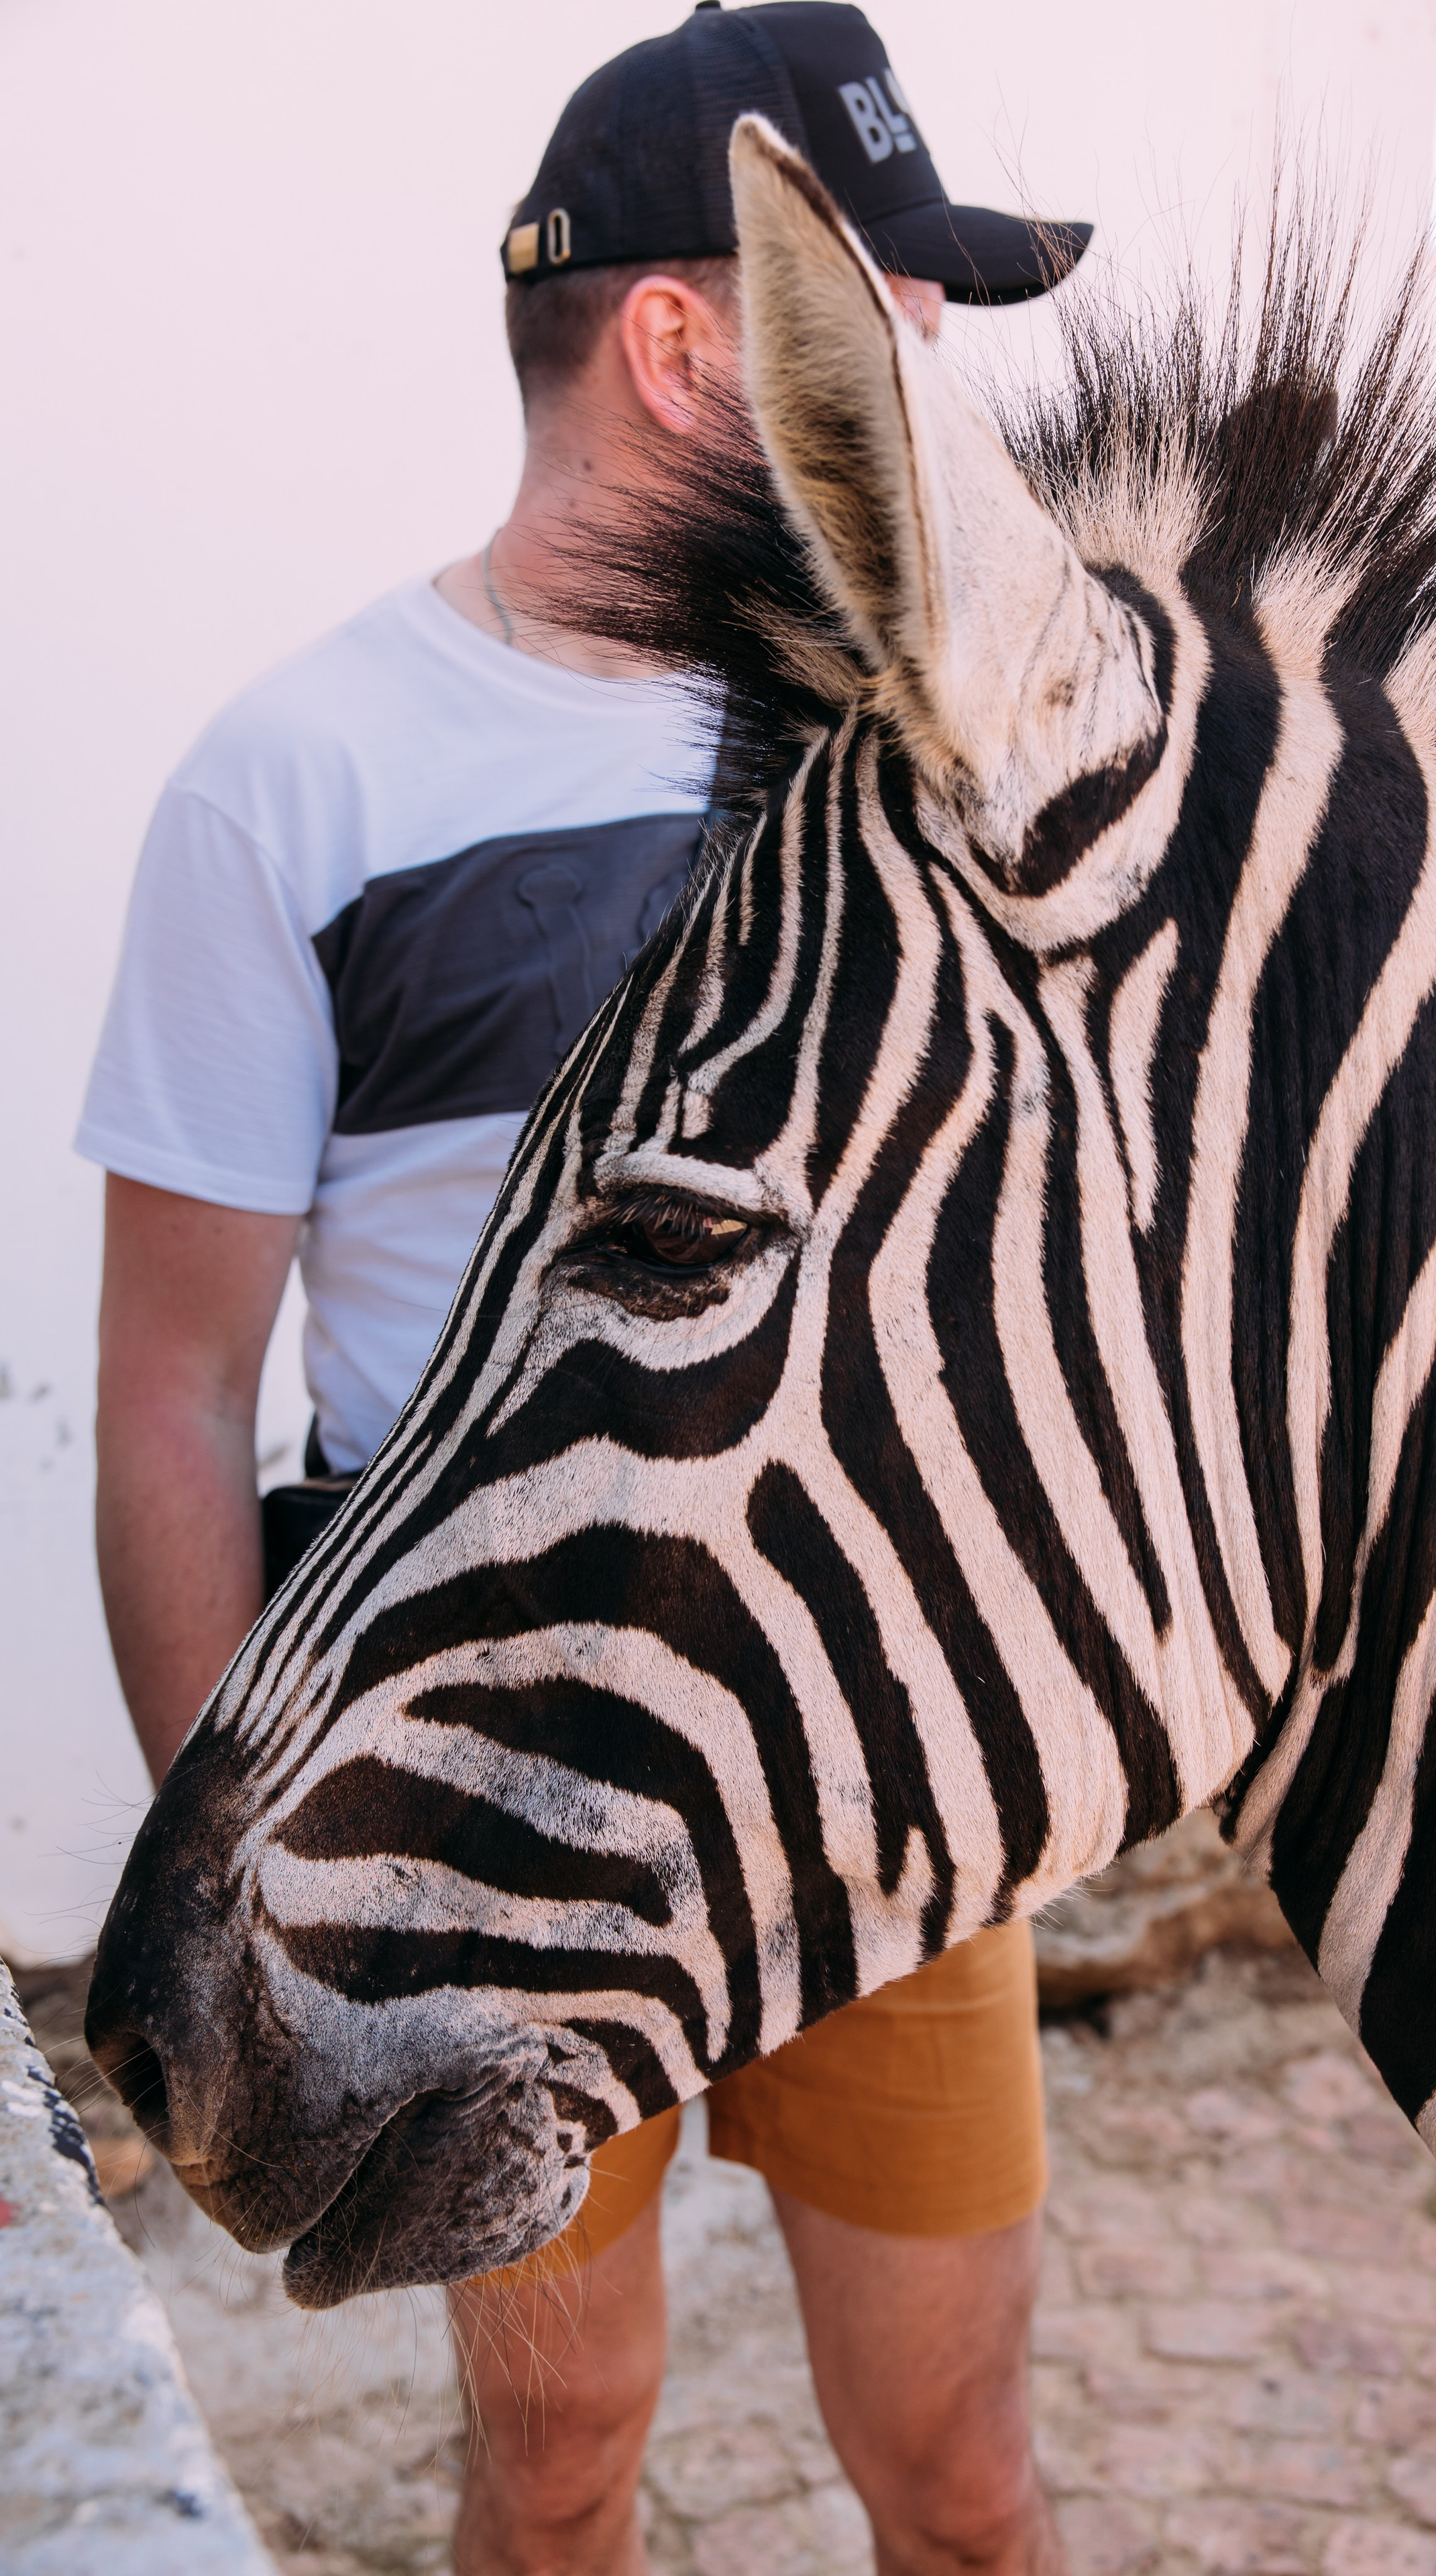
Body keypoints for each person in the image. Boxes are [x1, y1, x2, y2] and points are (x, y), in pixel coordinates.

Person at [79, 9, 1091, 2571]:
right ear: (681, 340)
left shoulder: (924, 750)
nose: (939, 392)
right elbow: (178, 1392)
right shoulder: (297, 781)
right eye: (894, 324)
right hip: (486, 1805)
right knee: (556, 2467)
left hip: (881, 1776)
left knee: (966, 2482)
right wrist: (267, 1910)